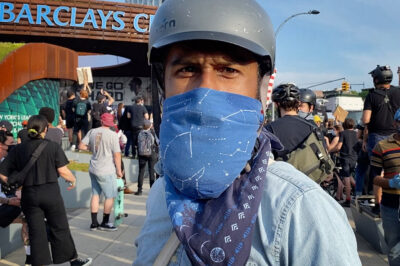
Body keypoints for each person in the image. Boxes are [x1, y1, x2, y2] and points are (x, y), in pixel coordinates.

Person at [133, 0, 361, 265]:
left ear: (261, 89)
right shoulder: (161, 194)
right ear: (163, 86)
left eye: (229, 70)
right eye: (187, 69)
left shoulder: (301, 209)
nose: (206, 91)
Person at [0, 115, 91, 266]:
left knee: (36, 232)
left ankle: (40, 263)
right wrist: (73, 180)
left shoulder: (18, 149)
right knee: (60, 227)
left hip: (29, 195)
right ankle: (73, 262)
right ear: (46, 129)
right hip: (50, 193)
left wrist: (13, 185)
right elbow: (63, 171)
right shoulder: (52, 147)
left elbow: (2, 173)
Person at [362, 65, 400, 215]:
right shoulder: (398, 92)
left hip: (377, 136)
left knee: (378, 172)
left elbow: (366, 119)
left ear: (376, 79)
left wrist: (364, 138)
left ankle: (379, 204)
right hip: (396, 134)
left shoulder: (372, 95)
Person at [78, 113, 123, 232]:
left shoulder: (92, 132)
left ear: (102, 122)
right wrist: (119, 170)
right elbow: (117, 154)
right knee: (110, 196)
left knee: (95, 194)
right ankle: (105, 222)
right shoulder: (113, 135)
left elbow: (81, 146)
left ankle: (94, 223)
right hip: (107, 169)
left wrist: (91, 148)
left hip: (93, 167)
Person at [370, 108, 400, 265]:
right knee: (394, 249)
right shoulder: (382, 146)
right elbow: (374, 178)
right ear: (396, 123)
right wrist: (390, 183)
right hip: (390, 206)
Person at [265, 83, 314, 160]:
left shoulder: (269, 129)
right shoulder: (312, 127)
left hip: (280, 171)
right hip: (310, 171)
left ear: (277, 104)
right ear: (298, 103)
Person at [335, 118, 358, 207]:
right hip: (354, 158)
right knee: (350, 175)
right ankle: (358, 187)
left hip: (345, 158)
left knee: (346, 179)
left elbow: (339, 146)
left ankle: (348, 199)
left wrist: (332, 150)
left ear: (344, 125)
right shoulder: (356, 134)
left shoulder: (343, 133)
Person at [135, 120, 158, 195]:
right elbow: (157, 143)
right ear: (150, 126)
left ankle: (139, 190)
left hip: (141, 154)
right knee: (152, 172)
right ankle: (152, 190)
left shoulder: (139, 133)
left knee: (141, 172)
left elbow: (136, 143)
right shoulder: (152, 132)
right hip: (152, 154)